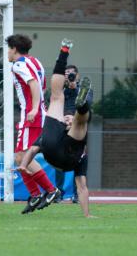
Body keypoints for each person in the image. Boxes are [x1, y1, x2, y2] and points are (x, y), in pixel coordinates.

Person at [18, 39, 95, 218]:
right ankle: (80, 108)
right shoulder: (80, 151)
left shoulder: (52, 134)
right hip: (70, 156)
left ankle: (64, 50)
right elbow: (82, 186)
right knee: (79, 121)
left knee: (56, 99)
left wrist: (23, 165)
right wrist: (87, 215)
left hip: (55, 153)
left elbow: (32, 149)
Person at [6, 34, 60, 214]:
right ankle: (36, 194)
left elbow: (34, 84)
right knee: (21, 157)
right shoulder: (35, 61)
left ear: (14, 49)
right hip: (36, 114)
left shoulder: (18, 64)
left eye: (8, 49)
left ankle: (51, 190)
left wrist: (34, 108)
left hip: (32, 115)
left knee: (22, 156)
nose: (7, 52)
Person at [54, 65, 93, 203]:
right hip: (62, 126)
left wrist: (74, 88)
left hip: (78, 127)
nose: (68, 76)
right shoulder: (59, 90)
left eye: (71, 74)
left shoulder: (84, 90)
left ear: (77, 75)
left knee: (79, 159)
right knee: (59, 160)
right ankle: (58, 193)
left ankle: (77, 194)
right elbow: (53, 104)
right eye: (66, 74)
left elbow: (87, 105)